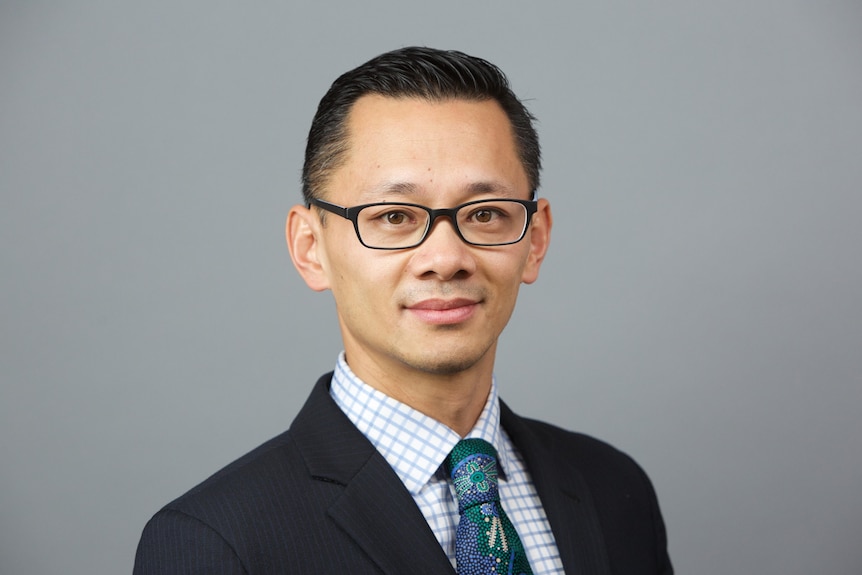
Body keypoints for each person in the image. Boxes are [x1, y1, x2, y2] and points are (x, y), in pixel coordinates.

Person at [134, 46, 673, 575]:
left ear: (535, 239)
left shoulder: (611, 490)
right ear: (309, 248)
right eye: (394, 216)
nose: (445, 259)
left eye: (485, 213)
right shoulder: (215, 542)